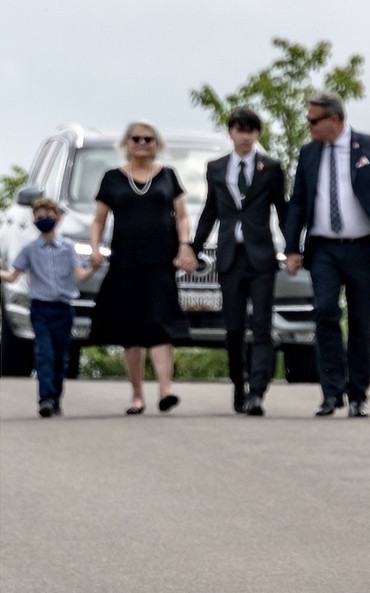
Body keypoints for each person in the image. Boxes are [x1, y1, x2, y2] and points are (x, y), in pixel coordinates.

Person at [283, 91, 370, 418]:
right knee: (324, 313)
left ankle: (358, 395)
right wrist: (292, 248)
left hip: (362, 247)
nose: (308, 126)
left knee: (361, 320)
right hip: (323, 248)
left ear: (334, 119)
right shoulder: (309, 154)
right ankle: (331, 391)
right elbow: (297, 202)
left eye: (313, 120)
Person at [87, 121, 199, 415]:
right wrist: (96, 248)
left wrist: (184, 244)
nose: (142, 143)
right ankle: (137, 395)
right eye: (136, 138)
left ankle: (166, 390)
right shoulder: (112, 178)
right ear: (127, 143)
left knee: (162, 325)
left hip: (161, 263)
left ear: (156, 144)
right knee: (131, 331)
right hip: (126, 263)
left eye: (148, 139)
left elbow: (182, 216)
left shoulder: (168, 176)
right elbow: (99, 219)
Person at [192, 107, 288, 417]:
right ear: (230, 132)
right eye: (239, 129)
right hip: (230, 255)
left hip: (260, 255)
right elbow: (211, 210)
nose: (245, 136)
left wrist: (295, 247)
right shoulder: (217, 168)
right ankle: (239, 382)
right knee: (233, 328)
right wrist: (194, 247)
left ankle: (258, 391)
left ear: (257, 134)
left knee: (261, 326)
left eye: (250, 130)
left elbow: (282, 210)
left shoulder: (270, 168)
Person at [0, 197, 97, 416]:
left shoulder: (68, 248)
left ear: (58, 219)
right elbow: (13, 275)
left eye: (48, 217)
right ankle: (45, 399)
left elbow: (80, 276)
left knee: (61, 356)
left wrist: (93, 267)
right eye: (40, 217)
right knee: (44, 353)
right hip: (40, 308)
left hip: (63, 308)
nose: (44, 220)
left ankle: (55, 398)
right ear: (34, 221)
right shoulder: (30, 250)